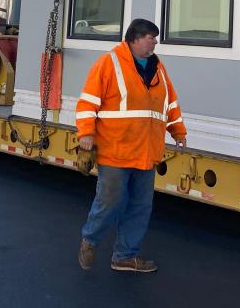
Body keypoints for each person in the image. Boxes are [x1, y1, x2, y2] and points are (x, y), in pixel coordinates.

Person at [76, 18, 186, 273]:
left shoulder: (158, 69)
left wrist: (178, 130)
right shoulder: (109, 63)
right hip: (116, 149)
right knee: (110, 201)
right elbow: (88, 102)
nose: (155, 42)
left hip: (146, 152)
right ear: (135, 39)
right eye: (151, 37)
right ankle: (89, 240)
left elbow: (170, 103)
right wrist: (86, 134)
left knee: (140, 206)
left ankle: (125, 256)